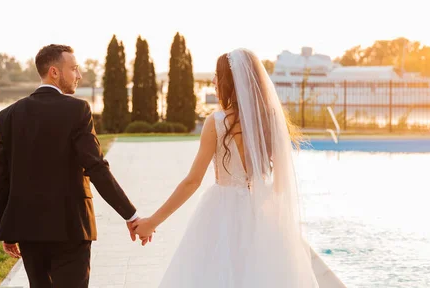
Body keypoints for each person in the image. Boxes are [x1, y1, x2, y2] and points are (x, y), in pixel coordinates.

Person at [133, 48, 319, 287]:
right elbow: (282, 184)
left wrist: (152, 222)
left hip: (220, 211)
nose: (213, 81)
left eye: (216, 76)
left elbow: (192, 181)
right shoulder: (271, 119)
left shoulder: (217, 122)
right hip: (261, 212)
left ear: (229, 82)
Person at [0, 44, 151, 288]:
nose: (78, 75)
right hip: (71, 227)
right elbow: (96, 167)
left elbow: (2, 176)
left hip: (28, 229)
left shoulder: (9, 114)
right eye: (74, 69)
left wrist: (7, 228)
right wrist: (131, 215)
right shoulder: (77, 109)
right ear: (54, 72)